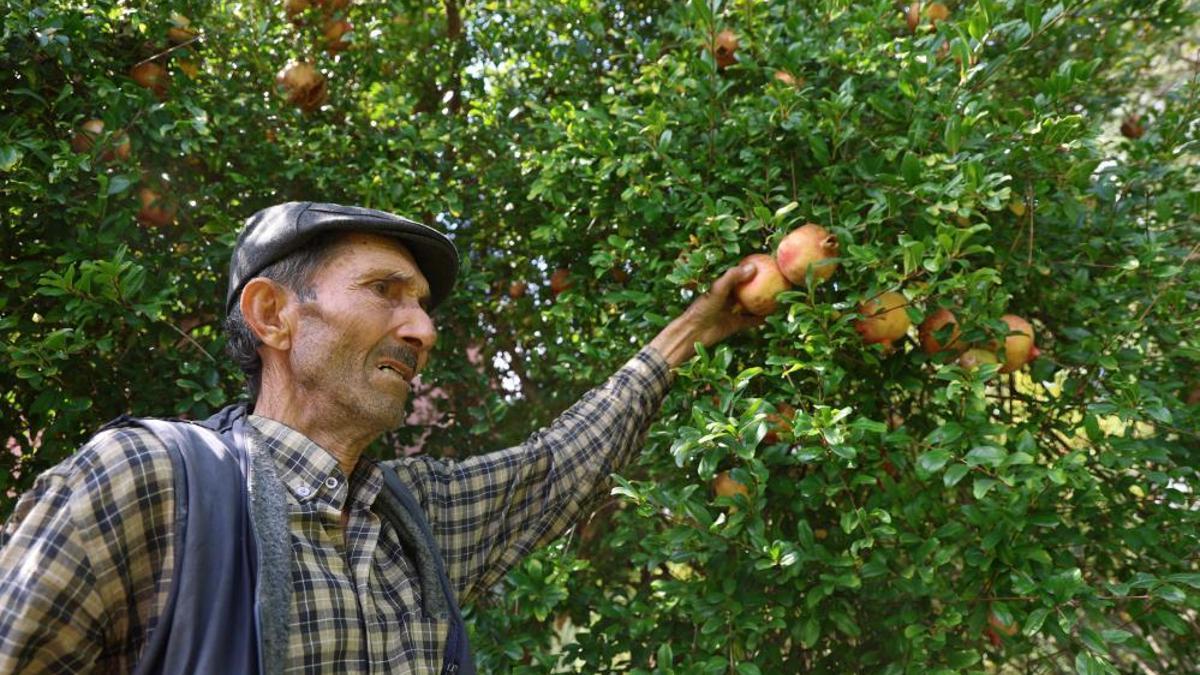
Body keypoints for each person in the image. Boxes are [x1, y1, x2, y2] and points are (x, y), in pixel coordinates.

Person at [0, 202, 760, 672]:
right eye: (384, 292)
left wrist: (701, 326)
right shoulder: (145, 480)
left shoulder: (417, 518)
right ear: (273, 315)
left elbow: (564, 461)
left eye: (424, 305)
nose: (422, 328)